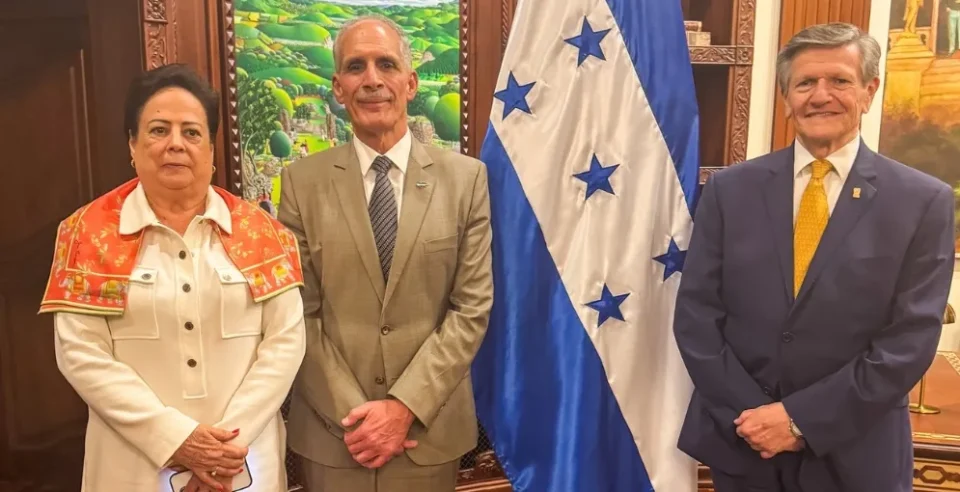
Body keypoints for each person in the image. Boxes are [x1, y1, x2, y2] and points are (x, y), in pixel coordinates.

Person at [674, 22, 955, 492]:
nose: (820, 96)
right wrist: (758, 419)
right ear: (786, 97)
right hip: (746, 445)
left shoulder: (923, 201)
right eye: (805, 83)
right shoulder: (729, 190)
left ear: (869, 91)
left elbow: (909, 340)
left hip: (857, 455)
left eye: (839, 81)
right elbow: (697, 318)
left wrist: (799, 420)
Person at [39, 63, 307, 492]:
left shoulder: (263, 233)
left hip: (243, 464)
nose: (175, 144)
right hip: (132, 468)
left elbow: (285, 345)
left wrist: (221, 451)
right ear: (132, 144)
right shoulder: (87, 234)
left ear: (212, 149)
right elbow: (81, 354)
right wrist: (176, 440)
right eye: (159, 130)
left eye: (192, 132)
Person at [277, 15, 493, 492]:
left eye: (386, 64)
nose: (372, 80)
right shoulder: (300, 184)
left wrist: (403, 408)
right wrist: (359, 419)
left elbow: (471, 309)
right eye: (356, 66)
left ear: (410, 83)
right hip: (336, 439)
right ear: (338, 87)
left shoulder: (466, 181)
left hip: (427, 435)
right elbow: (296, 314)